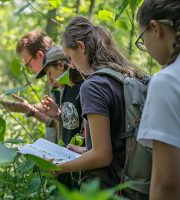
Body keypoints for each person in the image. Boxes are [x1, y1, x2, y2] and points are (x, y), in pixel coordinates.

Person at [56, 16, 145, 193]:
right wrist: (85, 150)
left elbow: (102, 156)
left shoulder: (93, 86)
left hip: (107, 189)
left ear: (81, 47)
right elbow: (119, 138)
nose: (72, 66)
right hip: (133, 185)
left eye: (70, 57)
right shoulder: (126, 75)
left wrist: (60, 167)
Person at [136, 1, 180, 199]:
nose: (146, 47)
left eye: (142, 40)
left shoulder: (167, 81)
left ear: (155, 28)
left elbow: (166, 184)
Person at [37, 46, 84, 189]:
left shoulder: (84, 88)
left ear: (60, 64)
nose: (50, 80)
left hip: (80, 165)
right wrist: (58, 114)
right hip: (65, 162)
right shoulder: (64, 90)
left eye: (50, 73)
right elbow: (71, 122)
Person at [4, 30, 60, 142]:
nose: (27, 68)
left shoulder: (62, 80)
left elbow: (63, 123)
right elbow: (58, 117)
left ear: (39, 55)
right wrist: (30, 108)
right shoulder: (54, 77)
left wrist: (30, 111)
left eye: (27, 63)